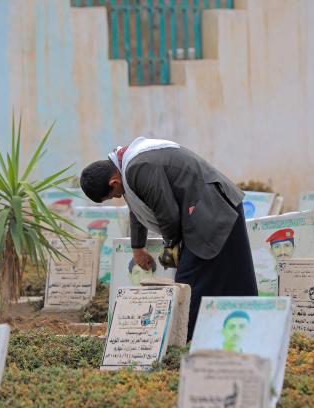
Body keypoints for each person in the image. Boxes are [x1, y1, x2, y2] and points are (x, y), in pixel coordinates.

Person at [80, 137, 257, 340]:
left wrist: (170, 247)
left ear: (114, 182)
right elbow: (138, 204)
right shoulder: (126, 163)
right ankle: (221, 335)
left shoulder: (137, 167)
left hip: (212, 210)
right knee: (229, 276)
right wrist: (137, 246)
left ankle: (184, 342)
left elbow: (168, 213)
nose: (119, 197)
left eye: (114, 195)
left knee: (189, 283)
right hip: (209, 209)